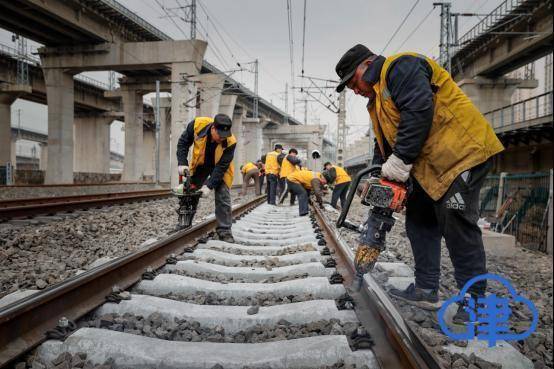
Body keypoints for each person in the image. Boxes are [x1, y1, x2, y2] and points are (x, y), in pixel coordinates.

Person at [335, 44, 504, 322]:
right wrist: (382, 173)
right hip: (430, 167)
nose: (355, 90)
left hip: (461, 155)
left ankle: (476, 303)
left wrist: (400, 160)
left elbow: (419, 109)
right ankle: (426, 288)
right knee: (419, 221)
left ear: (367, 64)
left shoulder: (401, 66)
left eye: (353, 82)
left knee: (457, 223)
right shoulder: (377, 99)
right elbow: (385, 142)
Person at [176, 114, 237, 243]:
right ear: (213, 128)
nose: (222, 139)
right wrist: (182, 163)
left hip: (220, 167)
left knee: (223, 196)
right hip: (201, 164)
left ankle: (225, 231)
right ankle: (183, 224)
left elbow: (221, 167)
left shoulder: (231, 141)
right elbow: (183, 143)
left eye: (224, 136)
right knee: (189, 192)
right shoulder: (197, 125)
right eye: (220, 136)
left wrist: (209, 186)